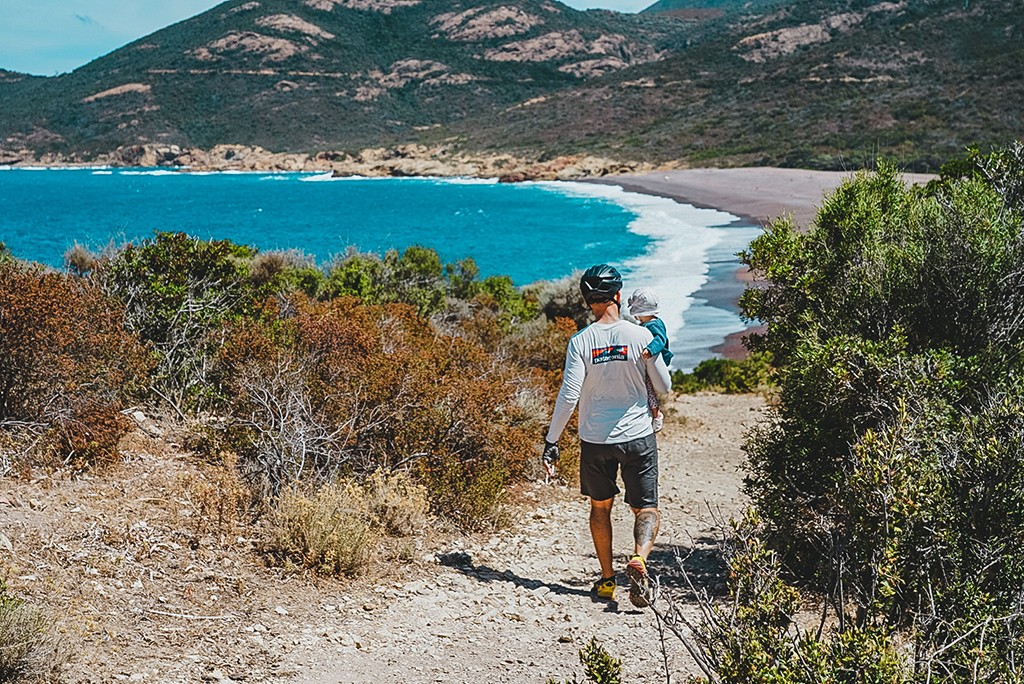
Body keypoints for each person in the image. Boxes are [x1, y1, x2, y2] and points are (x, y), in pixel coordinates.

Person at [542, 264, 672, 608]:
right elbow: (664, 385)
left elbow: (569, 395)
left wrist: (552, 440)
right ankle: (640, 560)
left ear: (588, 301)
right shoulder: (641, 336)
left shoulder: (581, 341)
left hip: (595, 440)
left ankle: (606, 580)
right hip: (638, 437)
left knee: (600, 507)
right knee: (645, 506)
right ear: (618, 296)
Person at [627, 287, 673, 433]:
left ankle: (656, 414)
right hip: (652, 361)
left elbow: (661, 339)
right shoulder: (651, 323)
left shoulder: (653, 325)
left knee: (648, 387)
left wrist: (650, 350)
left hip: (657, 359)